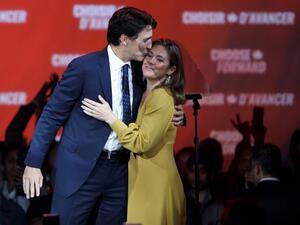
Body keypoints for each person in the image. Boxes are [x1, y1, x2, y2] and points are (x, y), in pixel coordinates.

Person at [23, 6, 184, 225]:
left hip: (122, 172)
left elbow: (160, 99)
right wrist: (33, 163)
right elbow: (52, 115)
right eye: (145, 40)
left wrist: (177, 113)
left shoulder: (142, 70)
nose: (149, 48)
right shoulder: (84, 68)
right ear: (125, 39)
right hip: (80, 171)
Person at [81, 39, 186, 225]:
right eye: (149, 55)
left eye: (160, 59)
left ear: (171, 70)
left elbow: (141, 143)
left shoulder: (162, 97)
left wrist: (110, 117)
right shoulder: (142, 90)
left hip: (155, 184)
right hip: (139, 180)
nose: (151, 61)